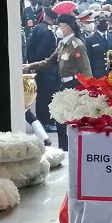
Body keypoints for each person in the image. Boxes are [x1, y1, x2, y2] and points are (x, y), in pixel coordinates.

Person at [23, 13, 91, 150]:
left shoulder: (77, 45)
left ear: (67, 27)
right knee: (60, 122)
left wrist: (87, 91)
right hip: (62, 85)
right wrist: (31, 66)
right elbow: (49, 62)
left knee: (71, 122)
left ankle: (74, 151)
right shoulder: (62, 44)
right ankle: (63, 150)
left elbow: (86, 71)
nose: (58, 28)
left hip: (74, 86)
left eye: (60, 26)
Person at [25, 7, 59, 132]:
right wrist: (37, 65)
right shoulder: (47, 32)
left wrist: (32, 63)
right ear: (52, 19)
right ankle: (45, 122)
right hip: (46, 68)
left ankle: (43, 120)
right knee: (46, 95)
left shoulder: (38, 28)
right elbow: (42, 51)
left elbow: (30, 47)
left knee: (42, 95)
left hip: (39, 66)